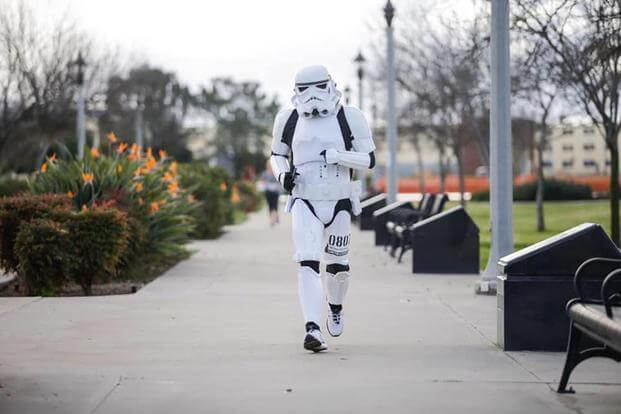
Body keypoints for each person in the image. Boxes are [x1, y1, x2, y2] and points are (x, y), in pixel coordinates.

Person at [270, 65, 376, 352]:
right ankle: (312, 328)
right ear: (296, 91)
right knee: (307, 262)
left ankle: (336, 308)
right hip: (305, 199)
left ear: (330, 85)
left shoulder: (350, 117)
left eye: (318, 87)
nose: (312, 96)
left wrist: (338, 156)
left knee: (338, 268)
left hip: (339, 199)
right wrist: (283, 176)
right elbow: (277, 155)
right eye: (304, 89)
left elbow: (368, 159)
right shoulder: (288, 118)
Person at [259, 162, 282, 226]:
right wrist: (264, 183)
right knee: (270, 205)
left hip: (275, 192)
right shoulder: (264, 173)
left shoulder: (276, 173)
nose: (270, 167)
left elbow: (279, 182)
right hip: (268, 192)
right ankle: (274, 218)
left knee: (275, 205)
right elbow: (262, 181)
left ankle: (273, 220)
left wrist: (278, 187)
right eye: (269, 165)